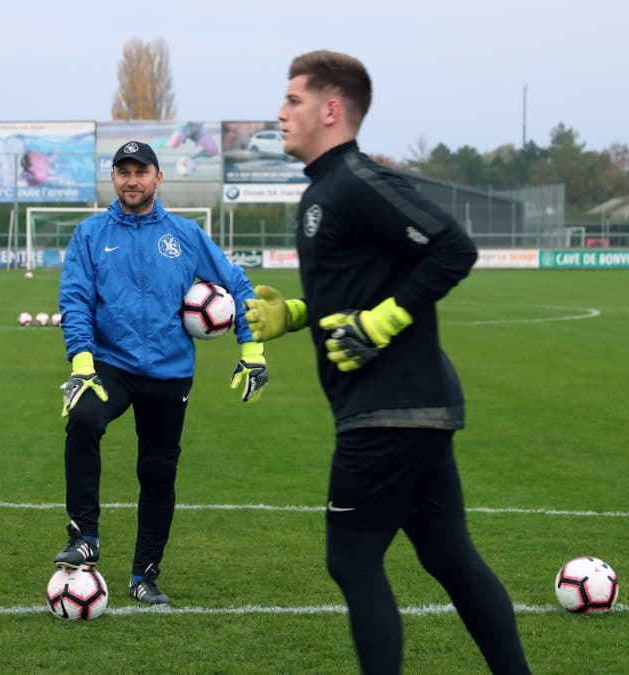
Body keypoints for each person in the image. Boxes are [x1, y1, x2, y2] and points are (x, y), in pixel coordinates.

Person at [244, 50, 531, 673]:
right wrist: (292, 315)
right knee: (449, 557)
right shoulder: (324, 192)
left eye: (293, 100)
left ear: (331, 108)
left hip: (387, 412)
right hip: (410, 409)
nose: (280, 112)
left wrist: (384, 322)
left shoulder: (357, 180)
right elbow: (352, 291)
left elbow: (454, 247)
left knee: (351, 559)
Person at [53, 140, 268, 604]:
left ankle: (144, 575)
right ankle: (84, 535)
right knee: (84, 421)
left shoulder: (186, 235)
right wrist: (82, 359)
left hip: (170, 372)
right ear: (113, 179)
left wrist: (251, 346)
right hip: (110, 365)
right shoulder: (90, 234)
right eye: (123, 172)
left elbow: (237, 284)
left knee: (157, 472)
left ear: (157, 177)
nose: (132, 180)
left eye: (141, 171)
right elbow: (74, 299)